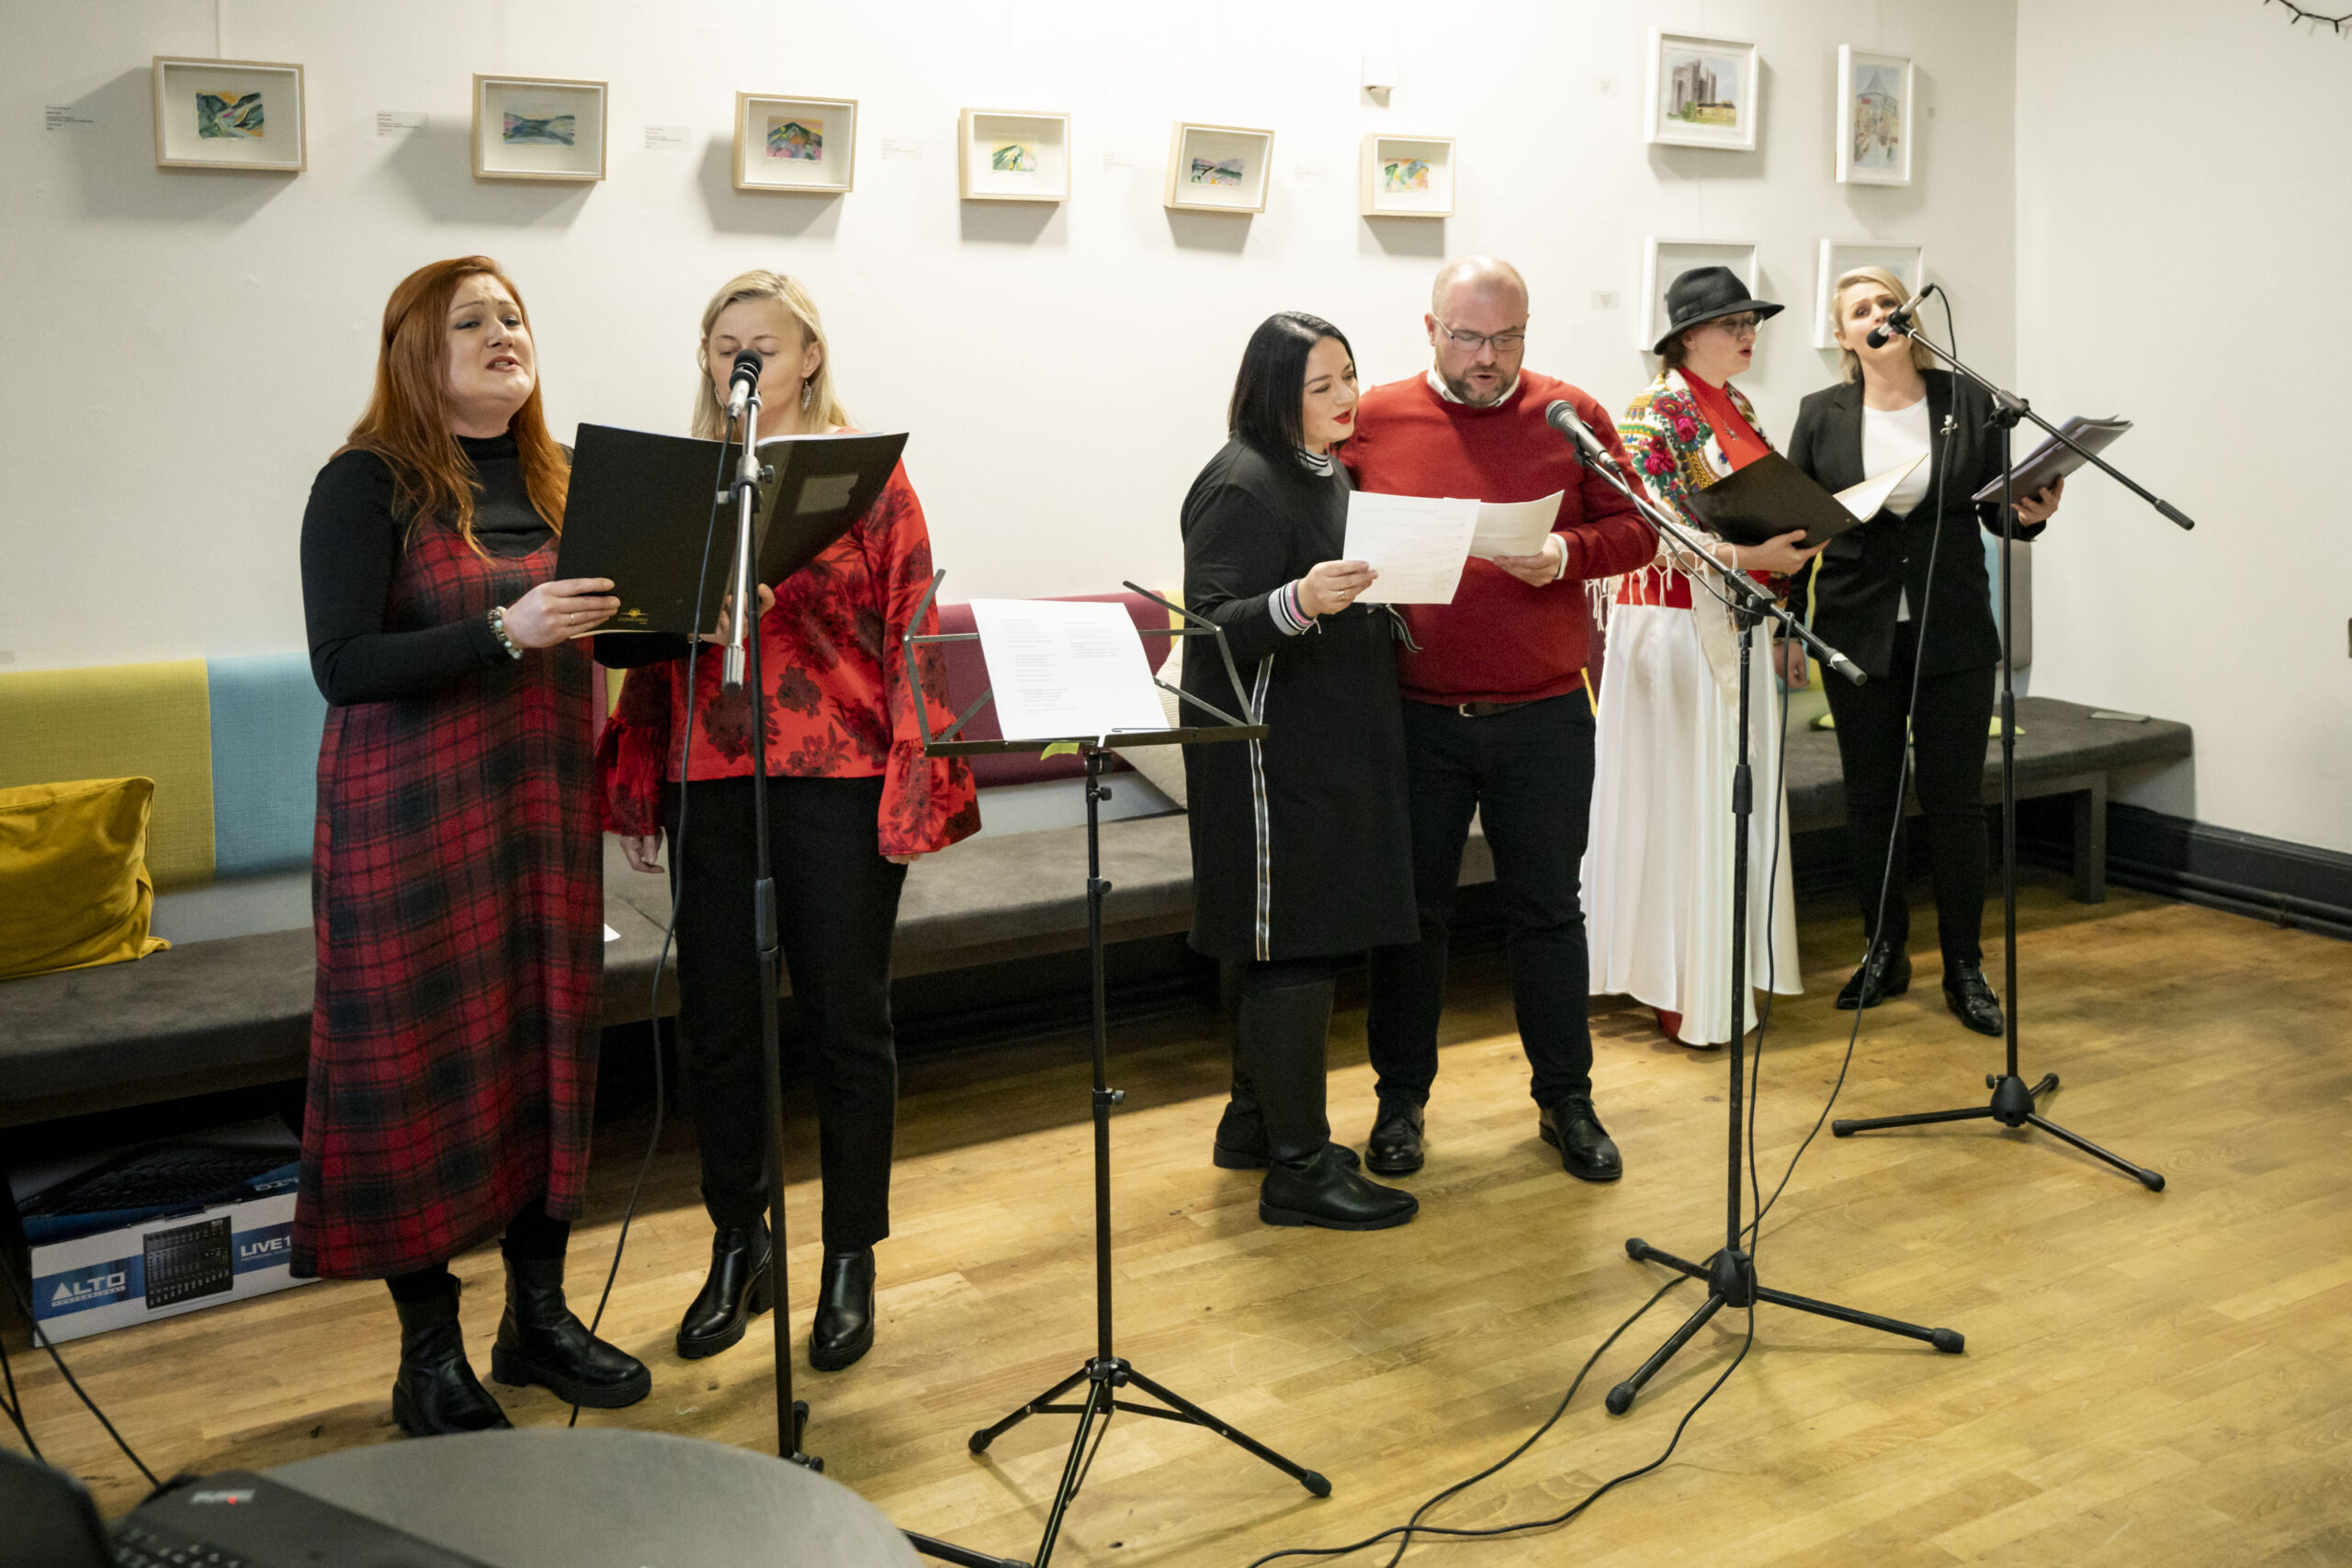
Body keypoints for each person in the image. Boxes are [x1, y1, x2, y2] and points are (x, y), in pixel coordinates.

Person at [597, 271, 978, 1371]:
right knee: (719, 1024)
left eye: (762, 341)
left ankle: (850, 1258)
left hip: (843, 776)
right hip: (712, 776)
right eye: (723, 344)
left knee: (846, 1024)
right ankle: (740, 1245)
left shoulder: (868, 476)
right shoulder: (691, 482)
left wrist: (918, 777)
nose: (741, 360)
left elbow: (913, 626)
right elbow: (635, 638)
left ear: (808, 354)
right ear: (706, 360)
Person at [296, 254, 649, 1437]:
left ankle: (534, 1319)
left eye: (514, 315)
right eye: (471, 319)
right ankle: (428, 1353)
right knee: (419, 1072)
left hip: (545, 820)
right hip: (408, 831)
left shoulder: (567, 483)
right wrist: (505, 630)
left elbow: (609, 643)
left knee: (548, 1054)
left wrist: (696, 610)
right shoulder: (366, 483)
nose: (504, 332)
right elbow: (340, 667)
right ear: (416, 352)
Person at [1344, 256, 1657, 1183]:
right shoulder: (1372, 419)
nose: (1488, 358)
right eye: (1469, 336)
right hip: (1414, 716)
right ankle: (1399, 1104)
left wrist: (1566, 551)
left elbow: (1639, 526)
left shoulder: (1571, 415)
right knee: (1411, 919)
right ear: (1430, 328)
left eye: (1507, 338)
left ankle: (1567, 1101)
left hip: (1543, 713)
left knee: (1547, 913)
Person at [1182, 310, 1420, 1231]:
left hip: (1329, 736)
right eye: (1321, 386)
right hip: (1265, 747)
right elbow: (1210, 620)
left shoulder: (1330, 471)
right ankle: (1299, 1165)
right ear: (1273, 390)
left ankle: (1253, 1121)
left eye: (1349, 378)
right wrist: (1298, 601)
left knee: (1289, 934)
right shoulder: (1241, 480)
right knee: (1294, 941)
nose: (1345, 398)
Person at [1784, 266, 2064, 1035]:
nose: (1878, 313)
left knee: (1954, 801)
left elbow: (2000, 515)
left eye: (1887, 301)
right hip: (1855, 628)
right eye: (1859, 309)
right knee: (1871, 797)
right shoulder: (1819, 413)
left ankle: (1965, 962)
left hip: (1953, 628)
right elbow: (1796, 528)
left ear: (1910, 316)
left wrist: (2032, 513)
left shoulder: (1967, 401)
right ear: (1843, 336)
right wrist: (1784, 624)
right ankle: (1883, 951)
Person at [1586, 266, 1818, 1048]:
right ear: (1689, 335)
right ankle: (1678, 980)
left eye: (1753, 322)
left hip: (1736, 618)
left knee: (1729, 797)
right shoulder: (1653, 410)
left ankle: (1722, 965)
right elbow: (1650, 524)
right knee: (1683, 797)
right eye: (1732, 323)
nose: (1749, 334)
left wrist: (1789, 547)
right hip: (1673, 629)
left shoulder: (1741, 406)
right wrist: (1752, 550)